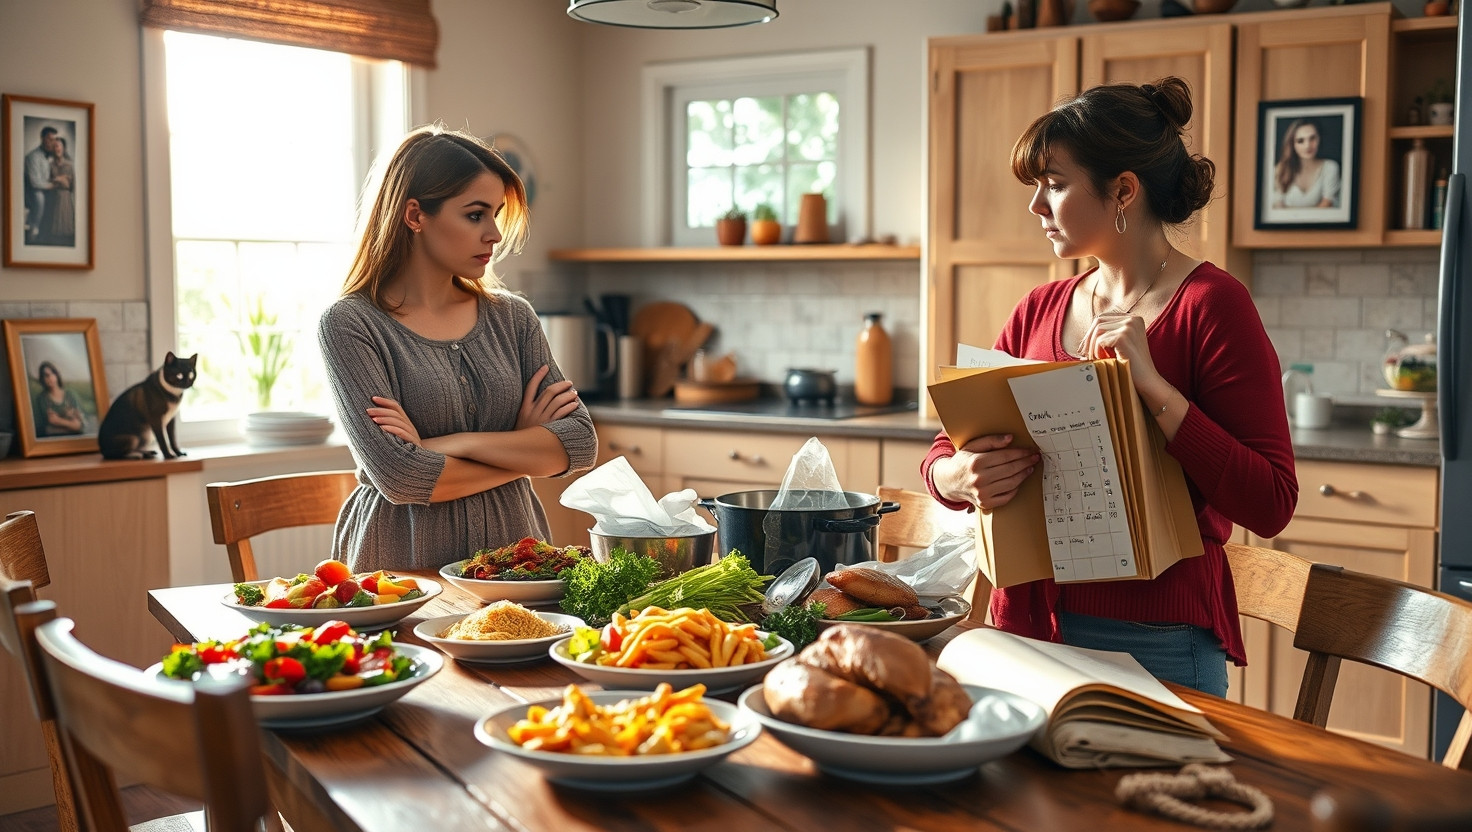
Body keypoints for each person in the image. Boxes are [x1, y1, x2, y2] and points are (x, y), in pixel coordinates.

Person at [922, 77, 1297, 697]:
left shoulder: (1212, 306)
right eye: (1036, 187)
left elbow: (1271, 501)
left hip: (1156, 638)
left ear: (1124, 189)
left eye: (1056, 184)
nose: (1037, 207)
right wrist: (955, 478)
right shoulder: (1037, 309)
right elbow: (944, 450)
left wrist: (1155, 392)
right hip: (1019, 629)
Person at [319, 126, 597, 574]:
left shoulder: (513, 318)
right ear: (415, 215)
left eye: (497, 214)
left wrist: (446, 445)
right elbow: (400, 476)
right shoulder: (350, 324)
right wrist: (523, 449)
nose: (494, 234)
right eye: (475, 215)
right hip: (401, 569)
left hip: (517, 565)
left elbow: (579, 446)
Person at [1272, 118, 1341, 209]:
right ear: (1292, 144)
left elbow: (1327, 204)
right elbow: (1277, 209)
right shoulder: (1280, 170)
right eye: (1300, 141)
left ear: (1319, 139)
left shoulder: (1330, 167)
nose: (1307, 145)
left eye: (1312, 138)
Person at [23, 127, 59, 245]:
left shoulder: (52, 156)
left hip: (46, 189)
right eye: (49, 139)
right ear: (42, 138)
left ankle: (55, 231)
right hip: (31, 191)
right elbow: (34, 182)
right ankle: (34, 230)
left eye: (54, 140)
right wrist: (52, 186)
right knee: (39, 197)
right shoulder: (32, 157)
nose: (52, 143)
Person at [32, 361, 83, 437]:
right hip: (52, 442)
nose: (50, 378)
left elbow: (79, 426)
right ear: (42, 379)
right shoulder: (41, 399)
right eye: (46, 375)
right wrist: (70, 426)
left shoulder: (70, 395)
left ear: (56, 375)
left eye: (52, 373)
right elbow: (43, 430)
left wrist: (58, 421)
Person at [42, 136, 75, 246]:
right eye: (55, 146)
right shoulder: (50, 165)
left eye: (59, 146)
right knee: (52, 232)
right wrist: (61, 179)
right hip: (53, 198)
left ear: (63, 148)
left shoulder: (69, 165)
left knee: (66, 232)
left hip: (65, 200)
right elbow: (48, 181)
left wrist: (59, 180)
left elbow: (69, 185)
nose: (57, 148)